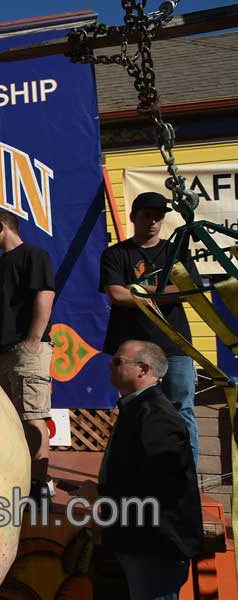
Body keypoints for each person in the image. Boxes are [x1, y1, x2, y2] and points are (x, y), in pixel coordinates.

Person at [100, 191, 201, 467]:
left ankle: (187, 477)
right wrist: (162, 293)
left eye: (159, 216)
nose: (154, 221)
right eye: (147, 215)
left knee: (182, 409)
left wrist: (139, 291)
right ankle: (138, 473)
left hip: (174, 344)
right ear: (133, 217)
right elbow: (116, 295)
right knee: (133, 411)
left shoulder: (174, 251)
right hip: (134, 348)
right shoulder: (116, 253)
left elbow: (187, 290)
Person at [99, 339, 202, 600]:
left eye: (118, 361)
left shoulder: (156, 415)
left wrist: (105, 497)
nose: (110, 366)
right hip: (142, 541)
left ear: (143, 369)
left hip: (156, 546)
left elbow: (161, 482)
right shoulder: (139, 409)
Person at [0, 210, 57, 502]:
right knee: (4, 420)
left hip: (24, 351)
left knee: (32, 416)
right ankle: (13, 480)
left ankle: (40, 485)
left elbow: (44, 295)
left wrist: (34, 340)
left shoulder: (34, 255)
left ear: (2, 227)